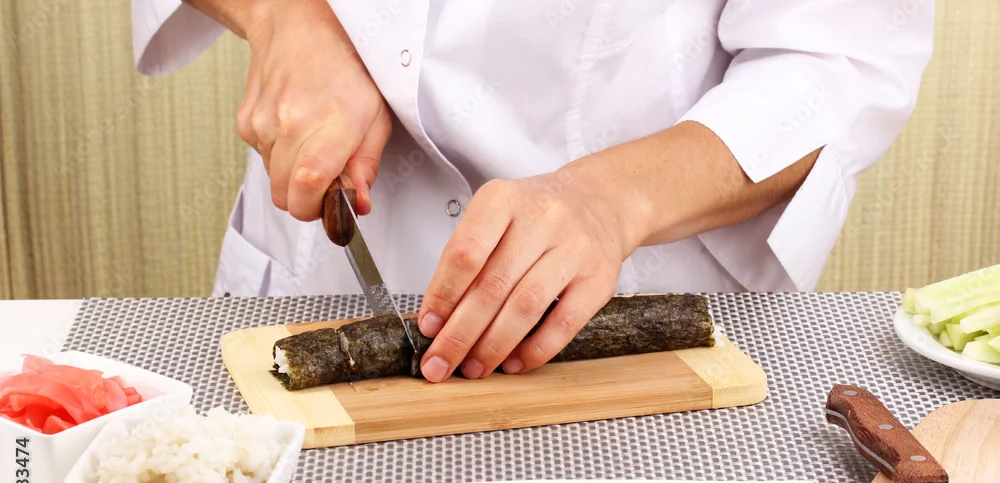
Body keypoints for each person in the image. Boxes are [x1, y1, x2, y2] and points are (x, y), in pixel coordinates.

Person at [132, 0, 933, 382]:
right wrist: (285, 18)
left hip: (635, 333)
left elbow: (840, 65)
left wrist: (612, 200)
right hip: (319, 273)